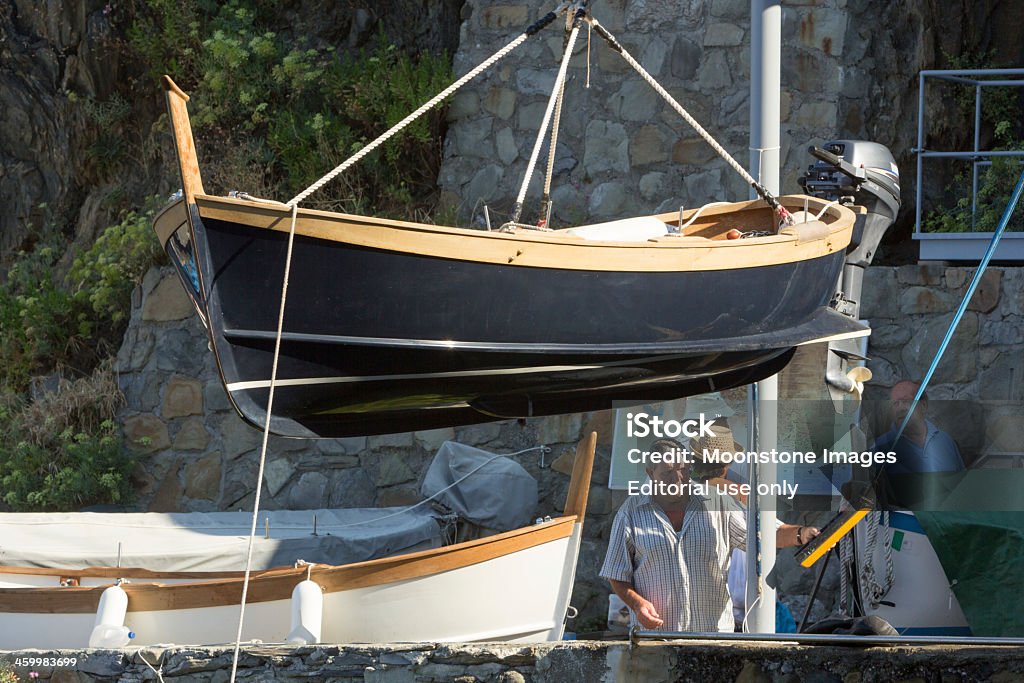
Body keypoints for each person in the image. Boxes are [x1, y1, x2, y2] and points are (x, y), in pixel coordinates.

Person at [600, 432, 819, 632]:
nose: (677, 479)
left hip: (713, 638)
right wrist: (638, 604)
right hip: (656, 641)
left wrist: (801, 533)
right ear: (650, 473)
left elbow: (763, 533)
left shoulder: (717, 502)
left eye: (682, 470)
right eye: (667, 473)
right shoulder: (631, 512)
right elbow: (616, 573)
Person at [874, 380, 964, 475]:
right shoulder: (880, 448)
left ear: (923, 405)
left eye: (906, 401)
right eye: (895, 404)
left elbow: (963, 484)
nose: (900, 408)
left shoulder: (945, 440)